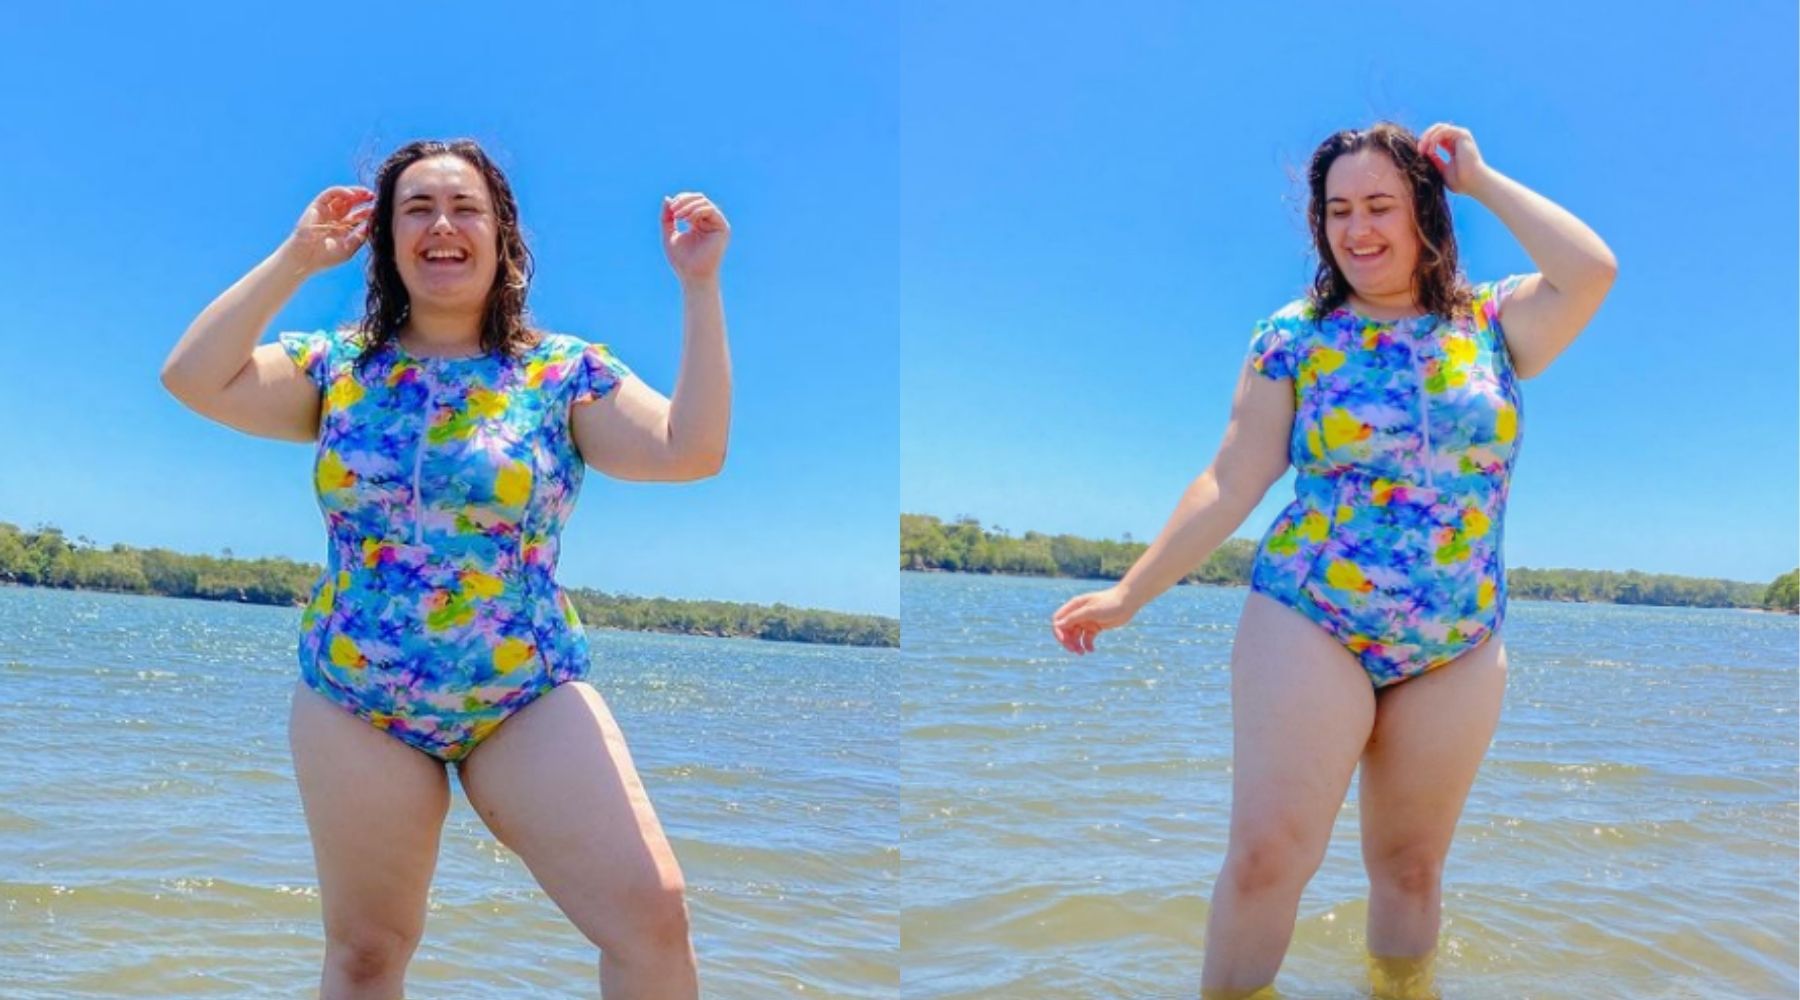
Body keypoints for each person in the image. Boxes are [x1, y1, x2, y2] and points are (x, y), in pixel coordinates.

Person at [1050, 122, 1616, 999]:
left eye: (1381, 205)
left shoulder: (1494, 324)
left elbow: (1593, 271)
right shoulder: (1294, 335)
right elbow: (1232, 477)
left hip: (1458, 637)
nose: (1357, 229)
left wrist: (1482, 178)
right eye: (1337, 209)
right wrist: (1131, 592)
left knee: (1412, 871)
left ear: (1426, 211)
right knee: (1270, 853)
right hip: (1312, 615)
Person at [160, 138, 730, 1000]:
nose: (441, 225)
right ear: (387, 242)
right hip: (357, 698)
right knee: (366, 954)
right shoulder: (338, 366)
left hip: (524, 692)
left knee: (653, 915)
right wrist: (297, 258)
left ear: (502, 234)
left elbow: (693, 450)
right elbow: (192, 378)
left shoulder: (561, 372)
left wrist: (699, 286)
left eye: (464, 207)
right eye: (415, 209)